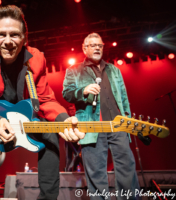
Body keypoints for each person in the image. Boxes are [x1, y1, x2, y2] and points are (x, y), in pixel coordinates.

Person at [0, 5, 85, 200]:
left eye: (15, 35)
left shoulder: (37, 59)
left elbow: (44, 99)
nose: (7, 42)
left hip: (25, 116)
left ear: (25, 37)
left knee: (51, 137)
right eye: (1, 35)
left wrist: (63, 119)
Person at [62, 33, 140, 199]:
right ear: (85, 48)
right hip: (92, 127)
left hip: (119, 125)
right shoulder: (74, 70)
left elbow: (124, 99)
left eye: (100, 45)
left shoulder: (114, 70)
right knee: (96, 174)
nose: (97, 48)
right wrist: (83, 91)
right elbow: (67, 94)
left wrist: (128, 120)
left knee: (127, 169)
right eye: (93, 45)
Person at [65, 104, 82, 172]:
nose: (71, 111)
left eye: (72, 109)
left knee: (79, 155)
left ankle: (78, 168)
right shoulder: (66, 118)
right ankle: (68, 170)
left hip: (78, 139)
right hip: (68, 139)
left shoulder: (78, 117)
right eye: (70, 110)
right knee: (68, 156)